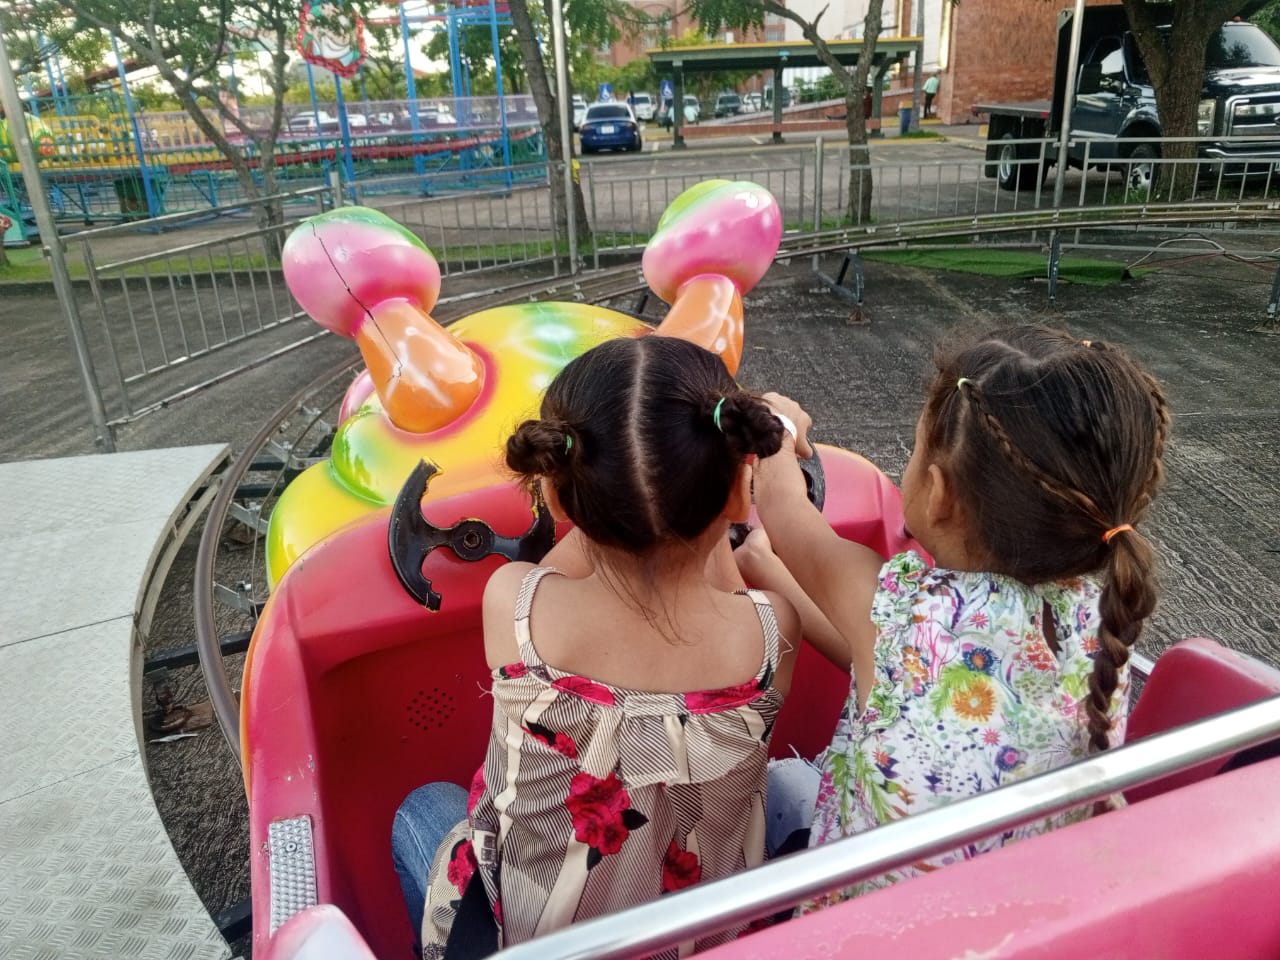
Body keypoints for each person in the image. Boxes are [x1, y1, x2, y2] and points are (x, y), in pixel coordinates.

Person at [392, 335, 801, 956]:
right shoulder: (772, 632)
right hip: (707, 942)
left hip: (542, 942)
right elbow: (714, 577)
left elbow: (565, 564)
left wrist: (619, 489)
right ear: (740, 490)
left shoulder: (516, 603)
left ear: (556, 494)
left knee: (423, 809)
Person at [738, 326, 1169, 906]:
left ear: (938, 493)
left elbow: (782, 505)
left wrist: (777, 425)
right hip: (999, 919)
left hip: (862, 928)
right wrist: (766, 566)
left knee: (781, 786)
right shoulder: (1104, 622)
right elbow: (899, 680)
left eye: (912, 451)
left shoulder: (897, 603)